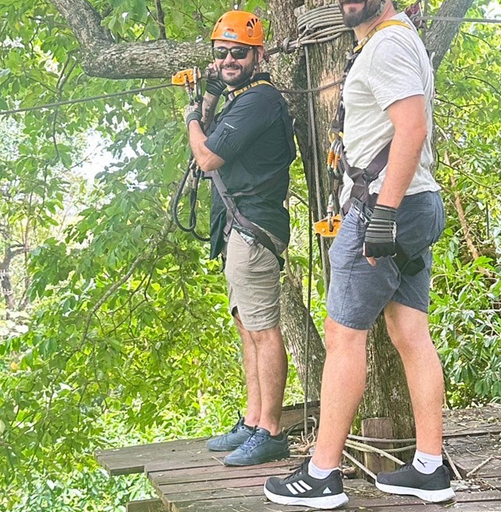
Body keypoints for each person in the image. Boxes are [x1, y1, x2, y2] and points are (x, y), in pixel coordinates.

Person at [263, 0, 454, 508]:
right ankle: (430, 468)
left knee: (343, 335)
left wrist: (383, 215)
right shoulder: (396, 35)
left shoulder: (388, 43)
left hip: (387, 207)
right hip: (416, 202)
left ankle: (322, 474)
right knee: (410, 332)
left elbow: (411, 128)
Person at [183, 10, 296, 467]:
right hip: (239, 228)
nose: (230, 59)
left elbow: (207, 157)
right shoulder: (240, 99)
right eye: (222, 53)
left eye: (239, 53)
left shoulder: (259, 101)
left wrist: (191, 117)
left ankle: (270, 429)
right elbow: (214, 141)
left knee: (264, 330)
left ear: (258, 55)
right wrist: (209, 95)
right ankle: (253, 420)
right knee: (247, 327)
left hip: (254, 229)